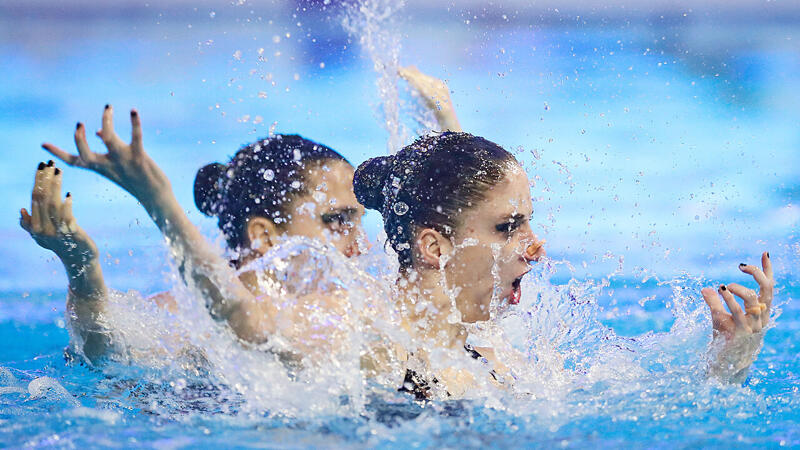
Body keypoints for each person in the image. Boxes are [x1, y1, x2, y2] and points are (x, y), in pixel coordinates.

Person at [22, 67, 463, 366]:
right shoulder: (187, 317)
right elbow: (104, 349)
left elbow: (460, 287)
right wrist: (82, 267)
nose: (361, 244)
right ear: (264, 237)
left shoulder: (350, 309)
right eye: (336, 221)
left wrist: (449, 130)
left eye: (357, 222)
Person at [352, 131, 775, 399]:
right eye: (507, 227)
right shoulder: (364, 355)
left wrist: (728, 364)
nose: (536, 247)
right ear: (433, 247)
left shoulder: (491, 361)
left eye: (528, 223)